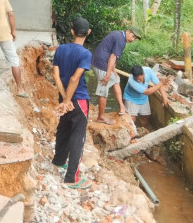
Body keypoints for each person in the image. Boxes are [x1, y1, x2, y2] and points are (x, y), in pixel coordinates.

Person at [52, 17, 93, 189]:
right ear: (88, 33)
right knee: (78, 137)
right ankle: (71, 178)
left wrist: (64, 100)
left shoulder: (60, 49)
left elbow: (56, 75)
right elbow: (75, 78)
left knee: (64, 128)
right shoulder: (85, 54)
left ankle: (59, 161)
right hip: (79, 100)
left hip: (64, 98)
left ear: (72, 31)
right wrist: (69, 100)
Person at [91, 27, 142, 124]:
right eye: (133, 36)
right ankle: (100, 117)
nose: (132, 39)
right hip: (102, 64)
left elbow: (111, 53)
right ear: (128, 31)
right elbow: (112, 57)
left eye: (135, 38)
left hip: (102, 61)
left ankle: (122, 106)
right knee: (103, 90)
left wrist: (113, 71)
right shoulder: (120, 40)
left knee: (116, 80)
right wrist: (108, 74)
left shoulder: (118, 35)